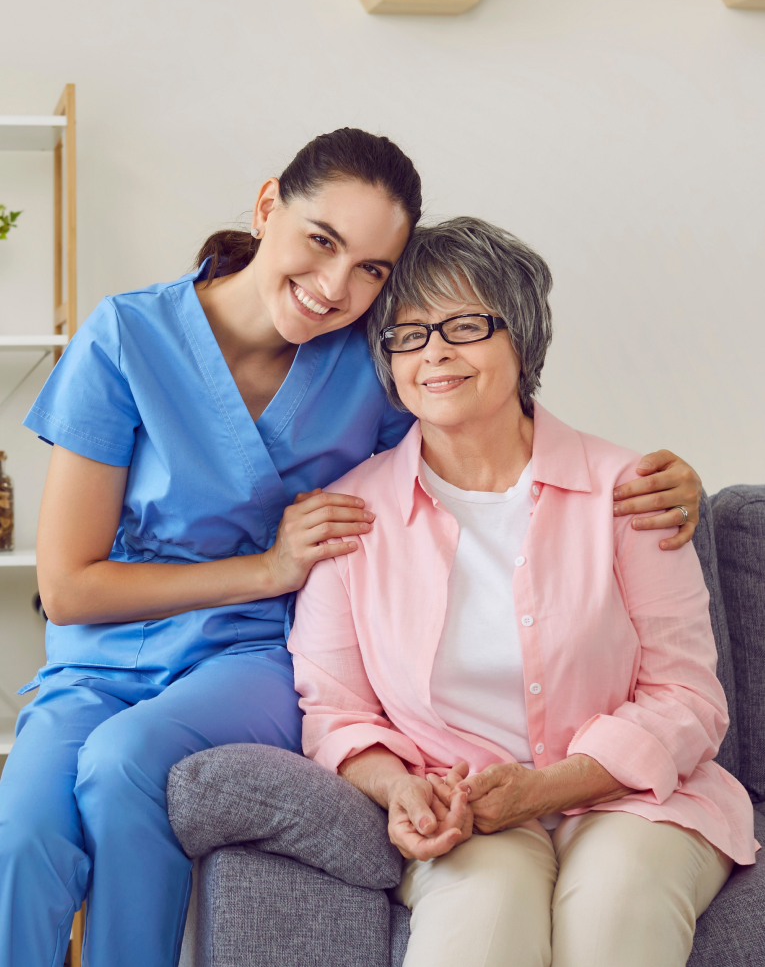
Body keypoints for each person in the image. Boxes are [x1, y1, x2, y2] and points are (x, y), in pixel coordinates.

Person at [0, 130, 700, 967]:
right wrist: (268, 567)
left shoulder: (371, 358)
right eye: (321, 241)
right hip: (102, 651)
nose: (336, 287)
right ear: (267, 207)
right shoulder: (124, 337)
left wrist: (663, 478)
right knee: (22, 829)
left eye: (371, 269)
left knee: (123, 766)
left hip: (251, 650)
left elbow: (486, 441)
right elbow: (69, 588)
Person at [289, 217, 757, 967]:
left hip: (635, 797)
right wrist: (398, 788)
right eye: (407, 334)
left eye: (463, 324)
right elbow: (335, 708)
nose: (433, 350)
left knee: (613, 910)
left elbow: (687, 698)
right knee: (478, 925)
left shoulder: (628, 492)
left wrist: (545, 788)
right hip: (464, 811)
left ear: (522, 337)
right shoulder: (352, 516)